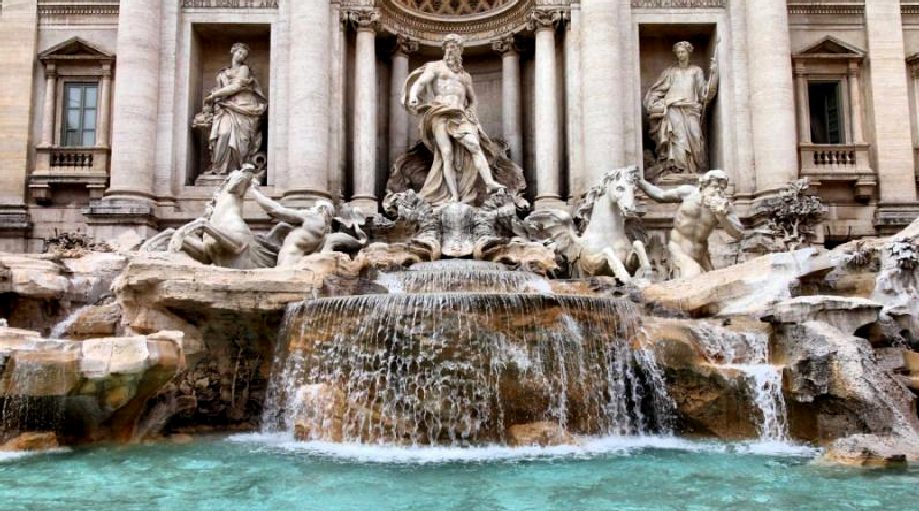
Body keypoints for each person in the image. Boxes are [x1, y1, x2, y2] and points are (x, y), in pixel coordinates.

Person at [403, 34, 507, 205]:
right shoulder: (436, 67)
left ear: (460, 51)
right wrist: (414, 96)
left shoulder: (465, 76)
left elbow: (472, 99)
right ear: (444, 50)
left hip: (460, 115)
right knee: (447, 154)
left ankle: (489, 182)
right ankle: (454, 196)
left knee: (475, 145)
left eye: (455, 47)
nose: (451, 50)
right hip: (439, 113)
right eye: (448, 47)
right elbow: (421, 82)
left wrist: (472, 113)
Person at [638, 169, 743, 279]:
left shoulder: (725, 207)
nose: (717, 190)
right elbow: (660, 195)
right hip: (678, 247)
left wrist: (722, 217)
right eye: (714, 186)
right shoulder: (689, 193)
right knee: (693, 273)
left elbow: (738, 234)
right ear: (704, 184)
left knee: (713, 282)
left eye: (722, 188)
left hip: (701, 254)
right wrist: (640, 182)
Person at [644, 41, 718, 176]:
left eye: (682, 52)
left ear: (689, 52)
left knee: (696, 139)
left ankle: (694, 169)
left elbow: (705, 94)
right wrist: (658, 102)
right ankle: (679, 170)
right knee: (678, 139)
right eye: (678, 52)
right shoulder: (670, 72)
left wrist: (714, 75)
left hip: (692, 110)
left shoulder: (696, 70)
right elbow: (656, 91)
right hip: (674, 109)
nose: (680, 55)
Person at [205, 42, 268, 175]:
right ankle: (219, 168)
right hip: (226, 108)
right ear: (233, 51)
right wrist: (214, 99)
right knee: (223, 134)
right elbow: (221, 89)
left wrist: (214, 95)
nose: (242, 56)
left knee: (241, 142)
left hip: (244, 106)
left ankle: (236, 169)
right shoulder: (223, 72)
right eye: (240, 53)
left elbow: (237, 87)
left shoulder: (244, 69)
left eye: (244, 55)